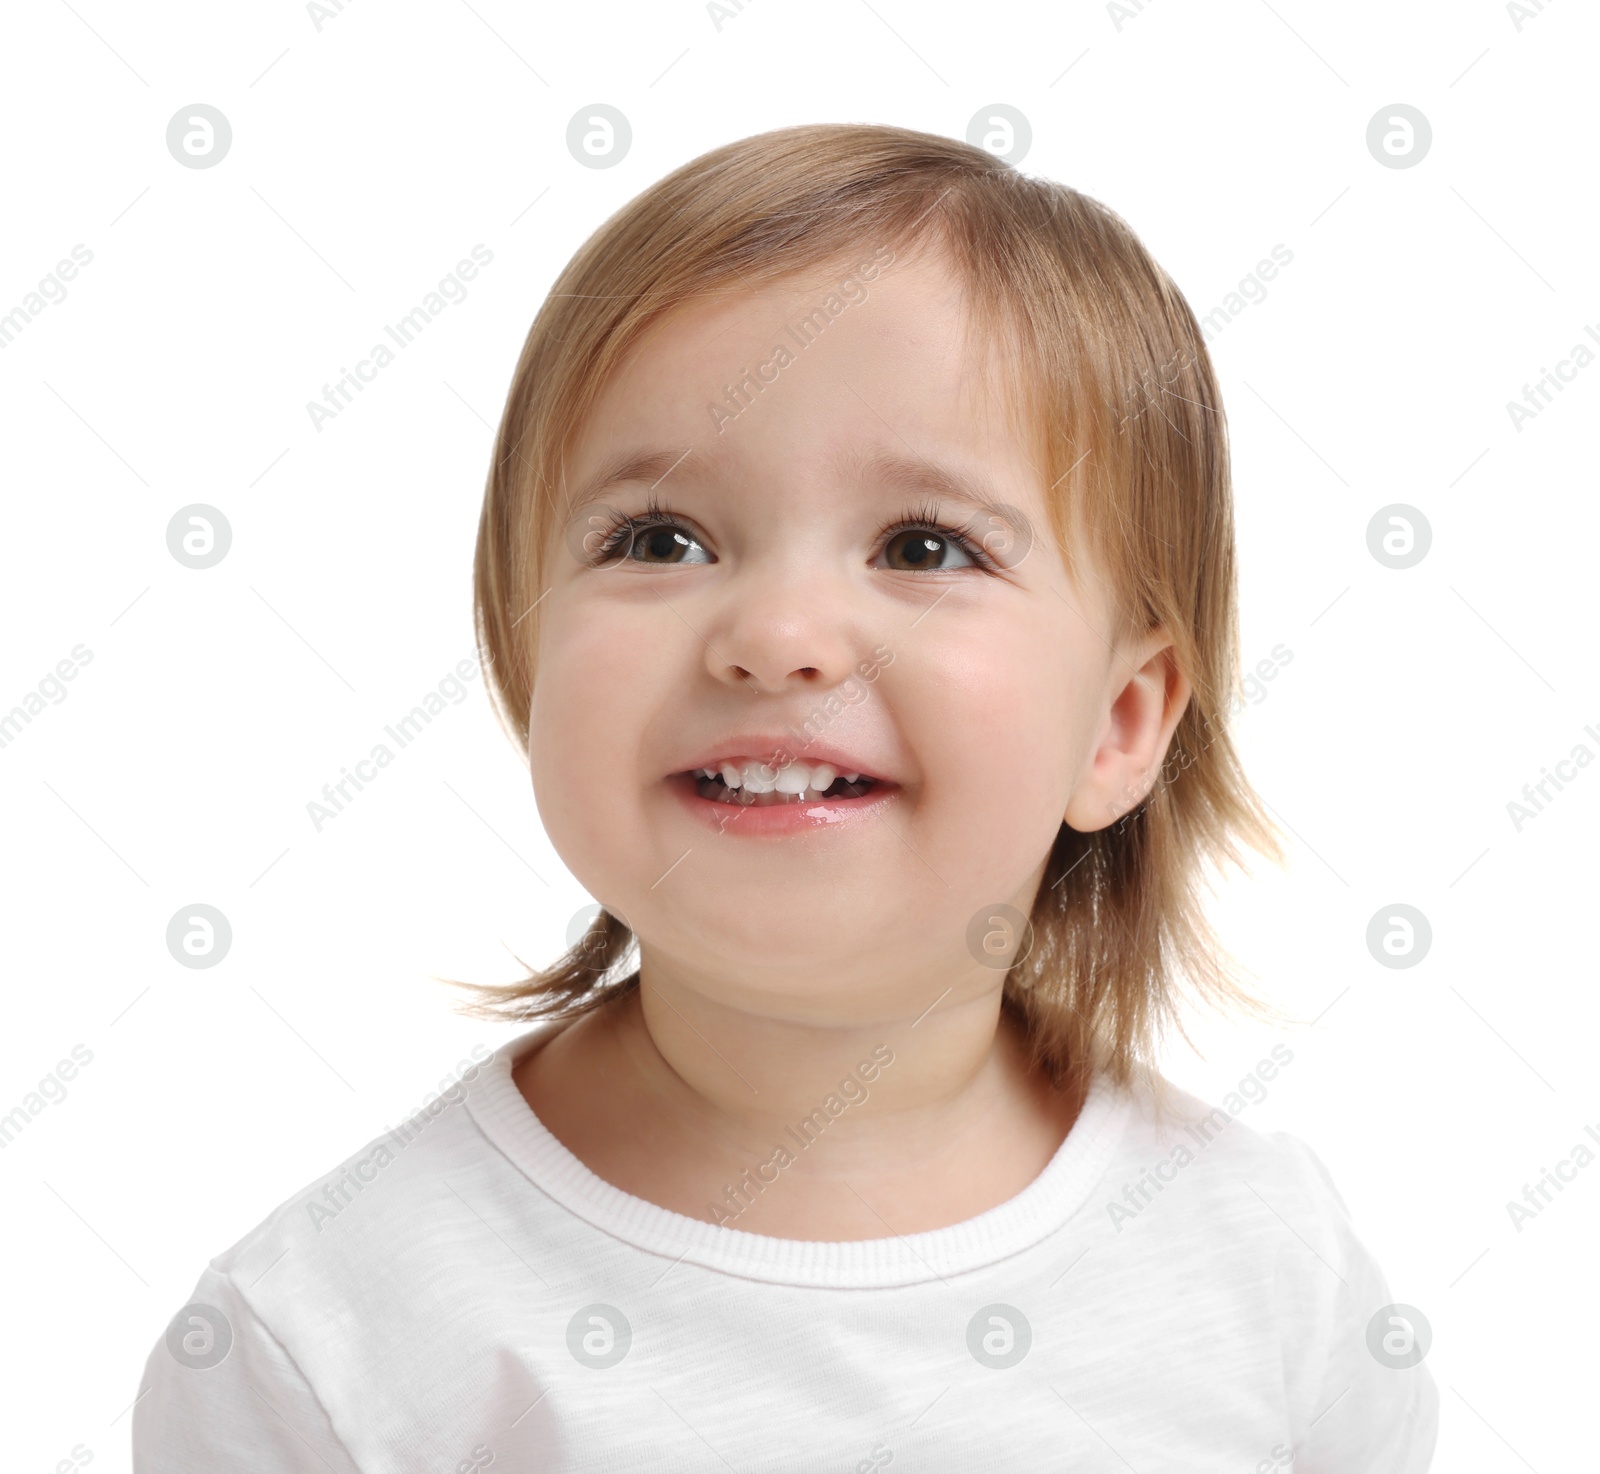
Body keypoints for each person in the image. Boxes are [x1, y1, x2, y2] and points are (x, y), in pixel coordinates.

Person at [133, 121, 1438, 1470]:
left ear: (1117, 724)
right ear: (526, 658)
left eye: (924, 545)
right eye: (659, 538)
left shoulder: (1270, 1275)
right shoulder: (331, 1340)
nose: (778, 633)